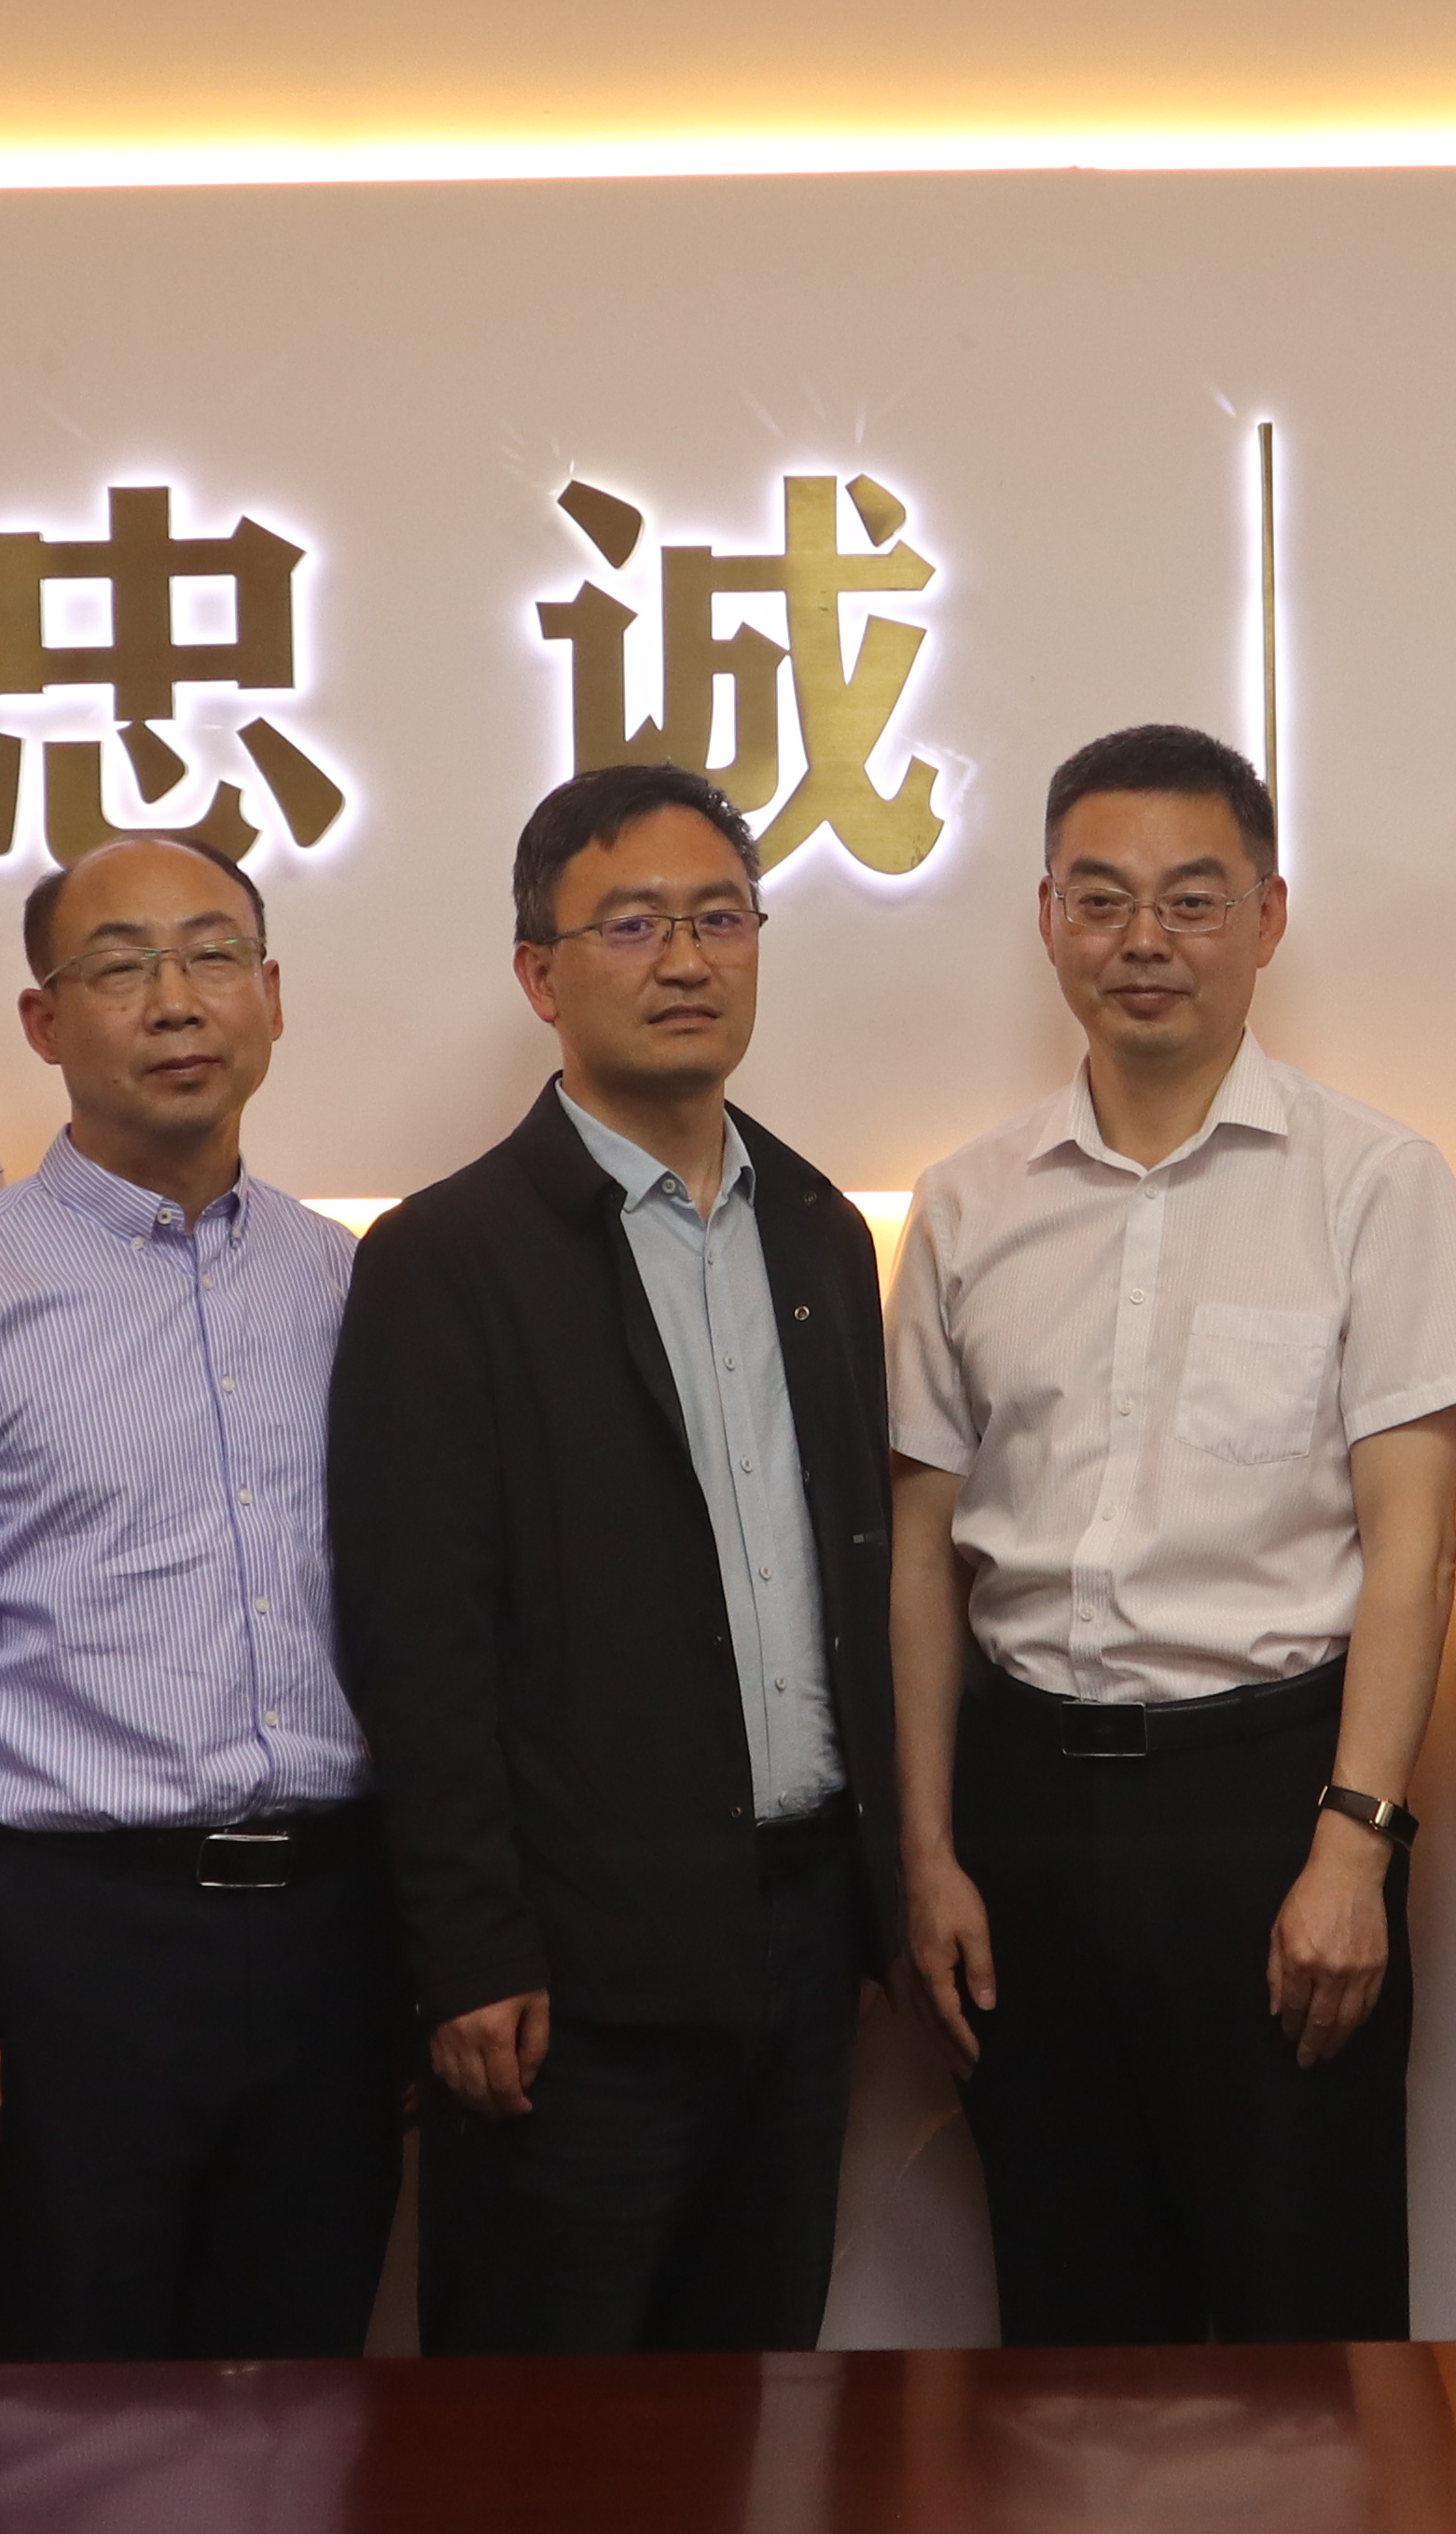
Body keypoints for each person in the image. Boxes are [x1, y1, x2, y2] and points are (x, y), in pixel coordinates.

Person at [885, 725, 1456, 2346]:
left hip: (1270, 1803)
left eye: (1191, 899)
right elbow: (923, 1553)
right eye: (1101, 901)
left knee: (1305, 2320)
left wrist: (1354, 1845)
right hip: (1024, 1815)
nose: (1143, 941)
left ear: (1268, 916)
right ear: (1047, 919)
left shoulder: (1373, 1182)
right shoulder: (965, 1204)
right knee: (1067, 2328)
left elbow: (1414, 1550)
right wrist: (929, 1854)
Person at [326, 764, 903, 2355]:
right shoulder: (446, 1260)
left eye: (721, 919)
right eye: (634, 926)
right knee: (545, 2438)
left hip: (802, 1944)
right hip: (566, 1985)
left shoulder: (821, 1230)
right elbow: (419, 1638)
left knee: (760, 2406)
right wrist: (469, 1953)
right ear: (541, 974)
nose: (688, 960)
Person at [0, 835, 400, 2359]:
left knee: (307, 2408)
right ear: (44, 1020)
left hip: (335, 1932)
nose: (176, 1001)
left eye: (214, 955)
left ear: (272, 997)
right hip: (75, 1948)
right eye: (122, 966)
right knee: (72, 2427)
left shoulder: (349, 1285)